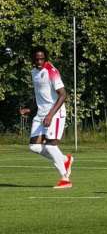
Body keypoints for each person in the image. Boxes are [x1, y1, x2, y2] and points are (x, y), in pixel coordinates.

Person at [19, 47, 74, 189]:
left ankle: (65, 179)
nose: (39, 61)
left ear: (46, 58)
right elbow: (40, 94)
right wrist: (30, 109)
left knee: (50, 145)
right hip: (41, 113)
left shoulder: (52, 71)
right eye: (36, 59)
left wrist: (50, 115)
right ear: (33, 59)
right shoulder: (34, 72)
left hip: (54, 113)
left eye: (42, 59)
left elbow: (63, 95)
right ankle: (64, 159)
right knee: (34, 146)